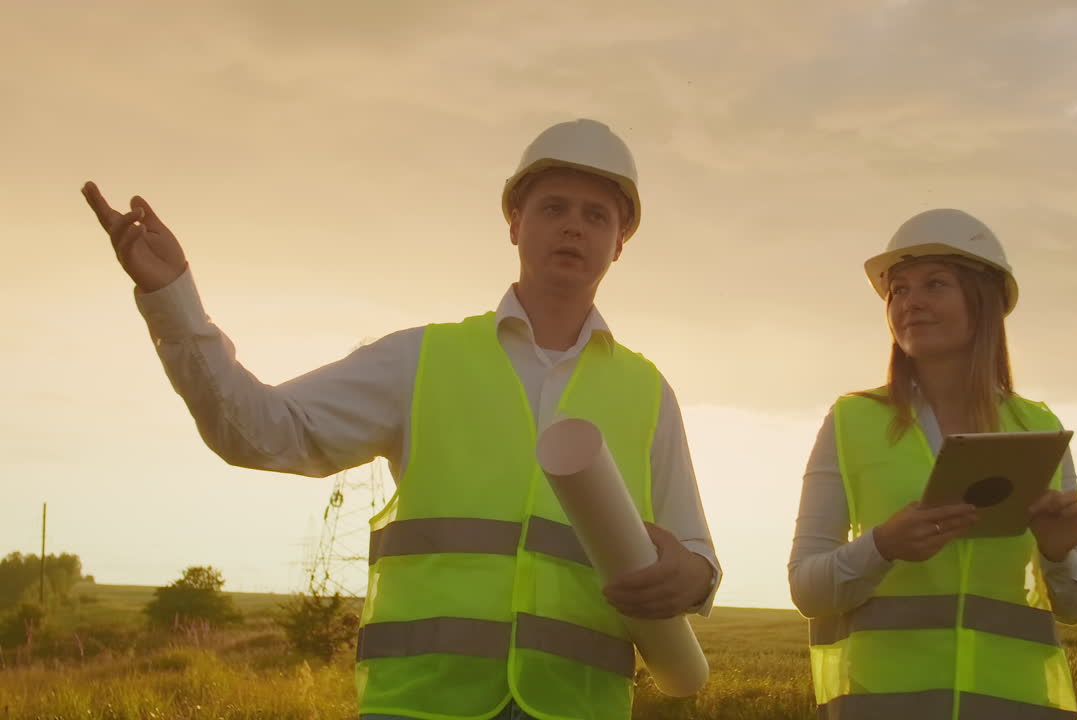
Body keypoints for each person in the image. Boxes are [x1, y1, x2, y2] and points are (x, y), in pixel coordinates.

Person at [82, 118, 720, 720]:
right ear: (515, 221)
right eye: (554, 206)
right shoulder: (421, 360)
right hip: (420, 703)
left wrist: (690, 579)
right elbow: (259, 430)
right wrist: (173, 301)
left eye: (596, 214)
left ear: (621, 242)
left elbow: (695, 552)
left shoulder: (648, 391)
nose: (574, 227)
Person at [787, 208, 1077, 719]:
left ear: (986, 301)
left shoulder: (1037, 428)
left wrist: (1059, 553)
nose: (911, 303)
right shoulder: (850, 421)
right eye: (899, 290)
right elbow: (807, 587)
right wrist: (883, 546)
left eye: (935, 284)